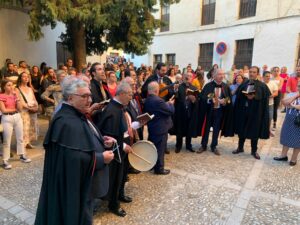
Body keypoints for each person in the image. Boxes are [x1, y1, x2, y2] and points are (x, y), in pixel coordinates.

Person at [35, 77, 114, 225]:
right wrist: (101, 158)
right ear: (70, 98)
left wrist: (101, 140)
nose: (90, 100)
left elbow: (82, 140)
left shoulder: (76, 113)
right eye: (84, 96)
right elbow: (71, 158)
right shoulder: (65, 121)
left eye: (90, 95)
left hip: (82, 184)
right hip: (73, 188)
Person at [93, 82, 133, 217]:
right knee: (115, 178)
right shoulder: (112, 110)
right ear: (121, 94)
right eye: (129, 94)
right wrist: (123, 145)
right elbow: (108, 135)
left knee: (120, 176)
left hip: (120, 150)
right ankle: (113, 205)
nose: (131, 97)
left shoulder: (118, 107)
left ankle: (119, 196)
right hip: (115, 152)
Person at [232, 66, 271, 159]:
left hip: (256, 113)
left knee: (255, 131)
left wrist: (255, 96)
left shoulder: (262, 85)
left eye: (254, 72)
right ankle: (240, 148)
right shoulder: (244, 83)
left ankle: (254, 151)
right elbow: (238, 97)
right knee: (242, 129)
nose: (252, 74)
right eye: (250, 72)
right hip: (244, 111)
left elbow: (265, 100)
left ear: (257, 74)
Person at [197, 69, 233, 155]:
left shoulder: (225, 86)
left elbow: (229, 99)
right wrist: (209, 100)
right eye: (219, 74)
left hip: (219, 111)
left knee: (216, 129)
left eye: (222, 74)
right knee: (206, 128)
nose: (221, 76)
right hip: (209, 111)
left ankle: (214, 146)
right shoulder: (208, 86)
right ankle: (203, 145)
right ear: (214, 75)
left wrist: (225, 101)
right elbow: (202, 97)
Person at [144, 81, 175, 175]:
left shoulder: (148, 99)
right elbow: (170, 111)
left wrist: (165, 104)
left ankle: (152, 165)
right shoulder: (158, 100)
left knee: (153, 148)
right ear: (157, 90)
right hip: (160, 128)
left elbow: (159, 108)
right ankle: (159, 169)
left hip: (153, 127)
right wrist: (170, 104)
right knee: (160, 149)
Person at [0, 80, 31, 170]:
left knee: (20, 138)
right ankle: (5, 160)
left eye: (12, 85)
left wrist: (17, 97)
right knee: (7, 140)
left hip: (17, 117)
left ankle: (22, 155)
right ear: (4, 86)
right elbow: (4, 110)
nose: (11, 87)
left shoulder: (14, 95)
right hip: (7, 118)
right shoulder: (1, 96)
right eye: (8, 85)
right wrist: (14, 110)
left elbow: (20, 108)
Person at [274, 81, 300, 166]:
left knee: (298, 140)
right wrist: (296, 95)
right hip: (289, 120)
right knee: (286, 137)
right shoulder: (292, 94)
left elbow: (289, 105)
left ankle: (294, 159)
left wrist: (292, 105)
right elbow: (284, 102)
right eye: (299, 86)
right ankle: (283, 155)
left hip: (298, 122)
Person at [173, 72, 199, 153]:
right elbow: (176, 98)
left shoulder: (194, 88)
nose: (188, 77)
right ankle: (178, 145)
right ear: (184, 77)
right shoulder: (179, 86)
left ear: (192, 78)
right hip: (180, 111)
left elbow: (197, 101)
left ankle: (188, 145)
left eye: (190, 76)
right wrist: (176, 90)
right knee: (179, 128)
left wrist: (194, 100)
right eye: (187, 76)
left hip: (190, 111)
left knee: (189, 128)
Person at [16, 72, 39, 149]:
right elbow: (20, 101)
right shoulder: (17, 89)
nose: (26, 78)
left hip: (32, 110)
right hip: (23, 111)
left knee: (31, 127)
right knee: (24, 128)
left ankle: (28, 142)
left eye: (27, 77)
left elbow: (34, 99)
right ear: (20, 78)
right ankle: (22, 144)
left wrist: (36, 106)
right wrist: (29, 108)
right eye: (24, 77)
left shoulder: (30, 88)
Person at [262, 71, 278, 137]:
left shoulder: (273, 83)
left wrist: (269, 96)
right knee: (261, 117)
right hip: (262, 104)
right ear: (263, 77)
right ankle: (260, 130)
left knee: (270, 117)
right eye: (267, 76)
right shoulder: (261, 84)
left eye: (269, 76)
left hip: (270, 104)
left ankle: (268, 130)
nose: (268, 77)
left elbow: (276, 93)